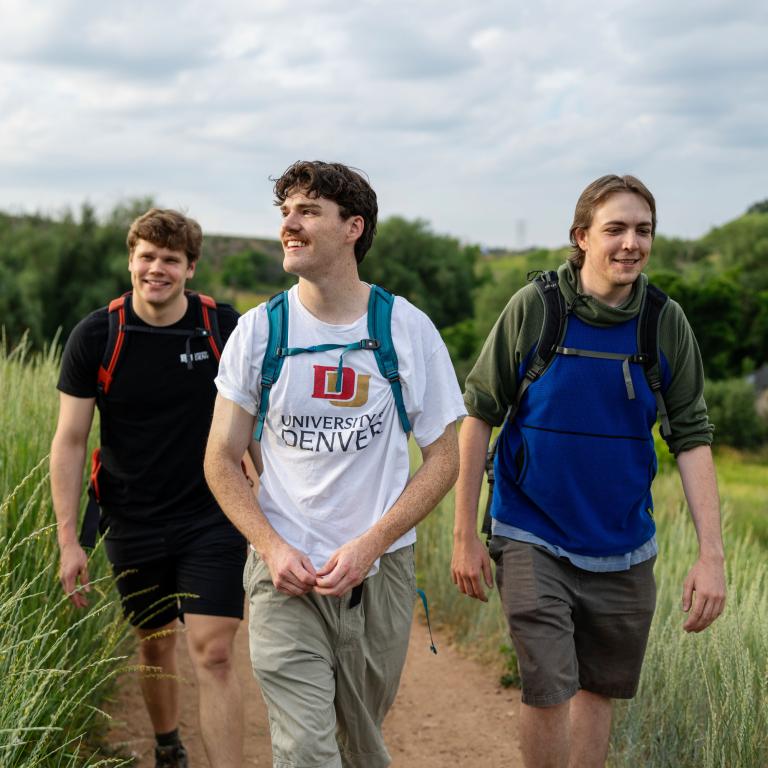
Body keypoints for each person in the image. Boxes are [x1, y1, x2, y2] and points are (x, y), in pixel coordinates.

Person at [450, 175, 727, 768]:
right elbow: (478, 415)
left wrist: (713, 558)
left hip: (625, 543)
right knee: (548, 685)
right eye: (616, 229)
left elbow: (692, 438)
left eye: (643, 230)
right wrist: (465, 535)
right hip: (530, 529)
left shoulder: (663, 322)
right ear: (581, 237)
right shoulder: (536, 308)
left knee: (598, 690)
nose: (632, 243)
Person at [204, 160, 465, 768]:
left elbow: (445, 458)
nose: (288, 225)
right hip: (283, 576)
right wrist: (270, 547)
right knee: (305, 750)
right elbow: (220, 458)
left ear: (354, 227)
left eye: (307, 211)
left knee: (362, 744)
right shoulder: (259, 332)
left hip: (380, 576)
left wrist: (372, 543)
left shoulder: (406, 329)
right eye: (285, 212)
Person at [51, 208, 246, 768]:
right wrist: (70, 540)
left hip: (211, 514)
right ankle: (168, 746)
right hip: (132, 517)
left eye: (170, 259)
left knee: (212, 651)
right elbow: (69, 440)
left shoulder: (220, 328)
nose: (157, 268)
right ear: (131, 260)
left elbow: (252, 420)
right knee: (156, 644)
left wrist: (266, 508)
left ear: (190, 268)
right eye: (147, 256)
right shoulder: (98, 335)